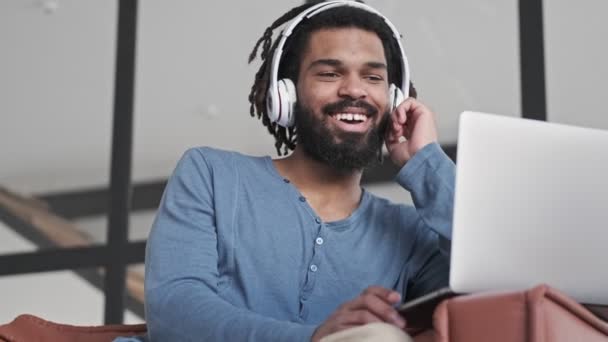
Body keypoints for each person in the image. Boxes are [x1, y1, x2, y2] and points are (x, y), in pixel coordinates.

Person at [116, 1, 455, 341]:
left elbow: (493, 292)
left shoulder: (410, 233)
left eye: (373, 77)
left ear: (394, 99)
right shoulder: (210, 174)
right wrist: (313, 338)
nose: (354, 89)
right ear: (286, 95)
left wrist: (426, 161)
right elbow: (176, 312)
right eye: (329, 73)